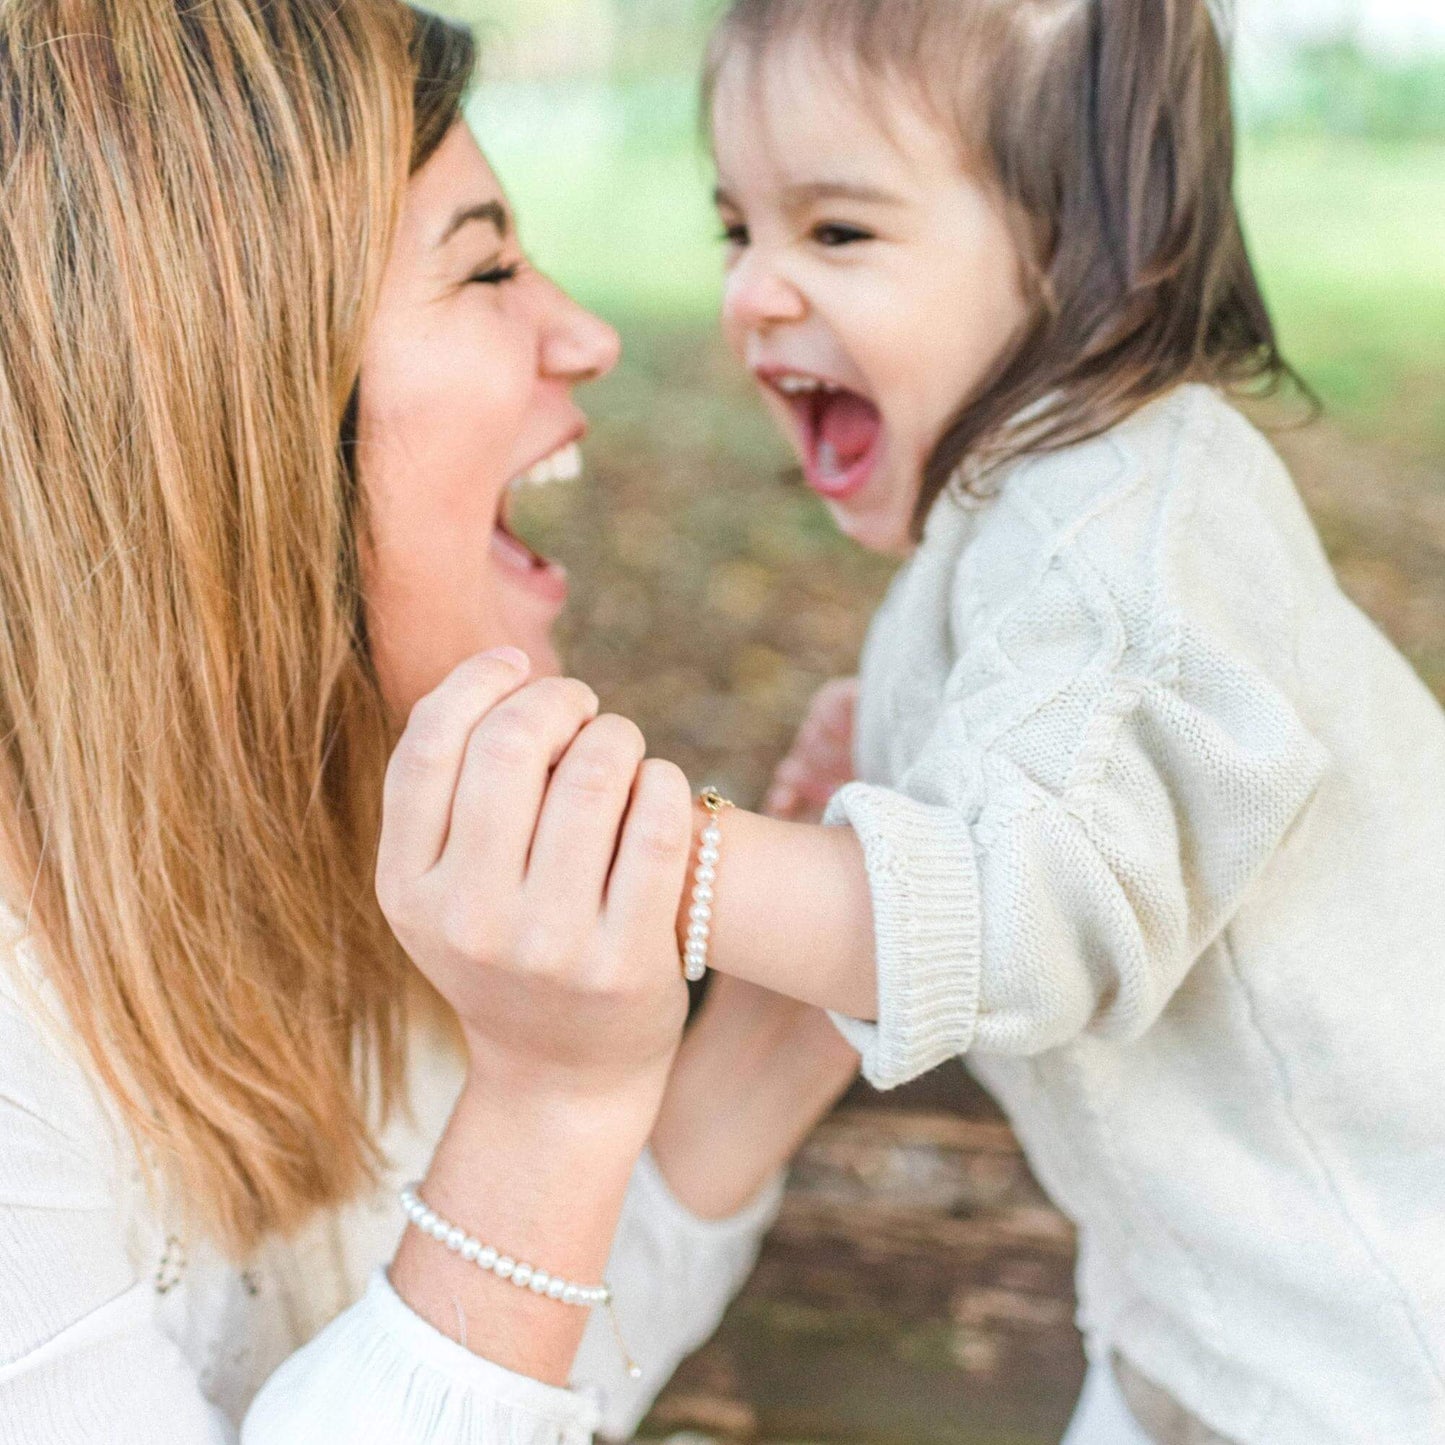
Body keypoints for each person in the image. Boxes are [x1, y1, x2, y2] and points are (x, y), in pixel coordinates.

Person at [0, 5, 858, 1442]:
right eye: (487, 266)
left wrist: (772, 1025)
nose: (582, 333)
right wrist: (550, 1105)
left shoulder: (341, 824)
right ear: (244, 406)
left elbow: (506, 1358)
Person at [589, 0, 1441, 1440]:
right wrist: (880, 786)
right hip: (1216, 1323)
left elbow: (1017, 917)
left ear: (1082, 258)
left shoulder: (1130, 532)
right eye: (739, 229)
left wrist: (672, 860)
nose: (751, 293)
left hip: (1381, 1338)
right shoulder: (1021, 519)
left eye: (836, 232)